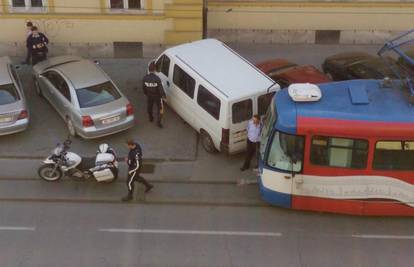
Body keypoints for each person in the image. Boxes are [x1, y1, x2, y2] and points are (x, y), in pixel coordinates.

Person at [143, 62, 166, 128]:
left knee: (149, 107)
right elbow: (161, 89)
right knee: (160, 109)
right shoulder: (157, 79)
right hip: (157, 97)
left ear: (149, 69)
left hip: (149, 96)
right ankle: (159, 122)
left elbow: (144, 88)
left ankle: (151, 118)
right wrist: (164, 97)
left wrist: (146, 94)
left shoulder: (145, 78)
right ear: (155, 70)